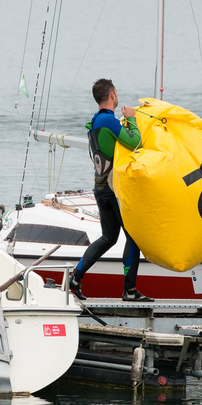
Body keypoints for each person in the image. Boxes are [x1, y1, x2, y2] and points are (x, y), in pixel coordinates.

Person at [70, 78, 154, 302]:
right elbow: (136, 142)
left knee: (109, 237)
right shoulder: (109, 120)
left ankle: (75, 278)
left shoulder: (96, 120)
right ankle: (130, 290)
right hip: (112, 190)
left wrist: (122, 121)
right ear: (112, 96)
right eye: (116, 93)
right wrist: (131, 119)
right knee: (133, 237)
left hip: (100, 188)